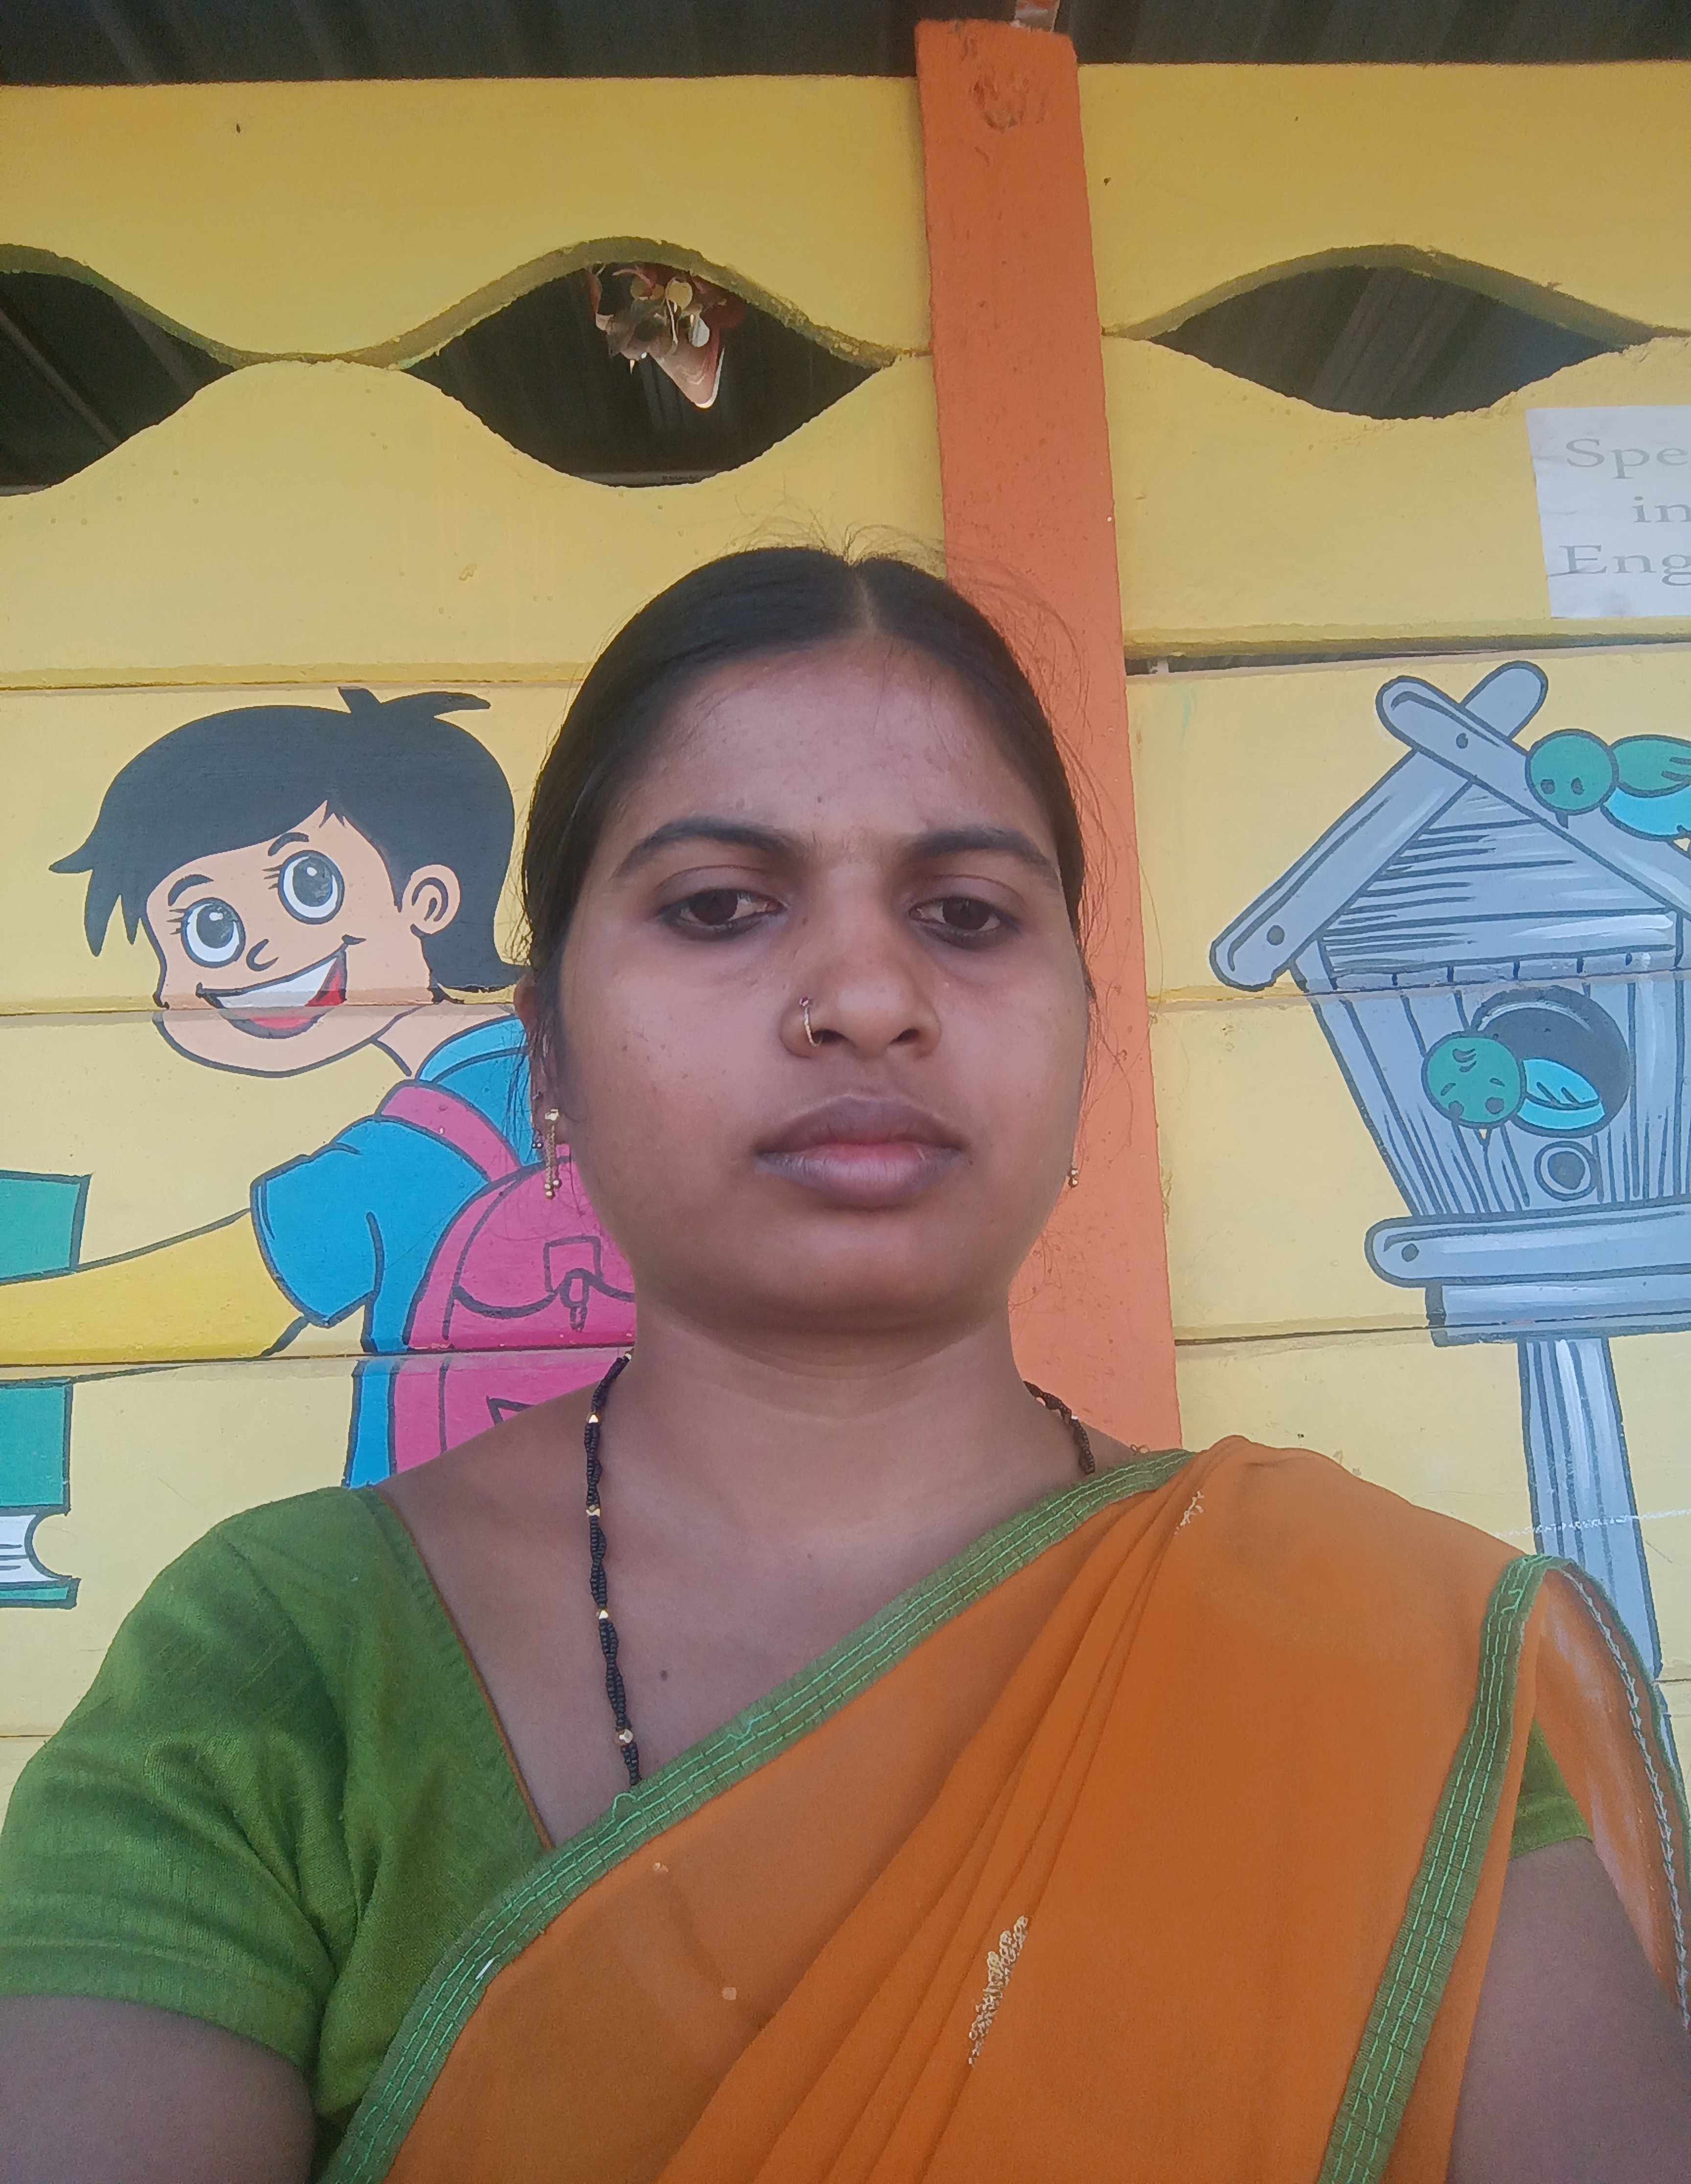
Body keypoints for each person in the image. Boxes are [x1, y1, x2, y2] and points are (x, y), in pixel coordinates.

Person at [0, 547, 1688, 2184]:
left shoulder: (1363, 1653)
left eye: (966, 913)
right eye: (718, 906)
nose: (869, 996)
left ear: (1083, 1030)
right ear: (547, 1052)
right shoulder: (284, 1661)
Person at [0, 688, 631, 1481]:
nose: (260, 952)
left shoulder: (408, 1161)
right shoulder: (582, 1077)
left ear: (428, 899)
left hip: (446, 1545)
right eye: (209, 928)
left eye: (307, 886)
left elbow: (183, 1303)